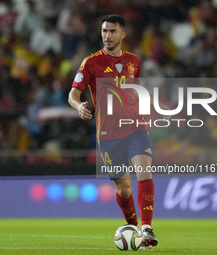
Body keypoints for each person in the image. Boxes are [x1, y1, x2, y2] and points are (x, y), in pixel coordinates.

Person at [68, 15, 170, 250]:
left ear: (123, 34)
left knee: (144, 171)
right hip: (108, 135)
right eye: (104, 31)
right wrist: (79, 106)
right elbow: (73, 93)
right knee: (123, 188)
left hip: (136, 127)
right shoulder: (91, 63)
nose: (107, 35)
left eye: (113, 31)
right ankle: (134, 229)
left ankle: (146, 228)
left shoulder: (134, 60)